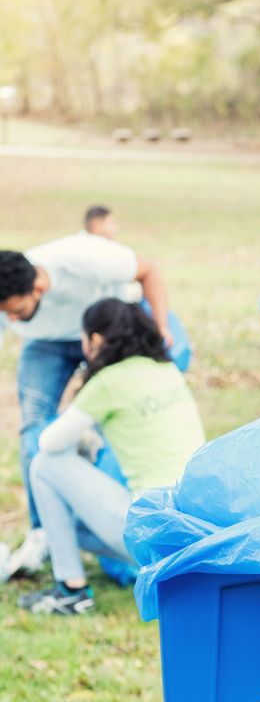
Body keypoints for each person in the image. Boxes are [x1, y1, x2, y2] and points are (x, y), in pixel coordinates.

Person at [16, 298, 204, 614]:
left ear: (97, 339)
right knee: (64, 523)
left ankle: (71, 591)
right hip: (192, 528)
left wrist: (79, 384)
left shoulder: (109, 381)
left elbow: (49, 443)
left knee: (45, 465)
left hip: (149, 530)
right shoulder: (166, 367)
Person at [0, 234, 171, 575]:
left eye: (17, 311)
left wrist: (162, 329)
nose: (13, 321)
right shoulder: (9, 293)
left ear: (38, 288)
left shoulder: (85, 258)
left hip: (99, 336)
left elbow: (150, 271)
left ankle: (119, 526)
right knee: (35, 428)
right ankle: (43, 533)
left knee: (105, 427)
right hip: (44, 345)